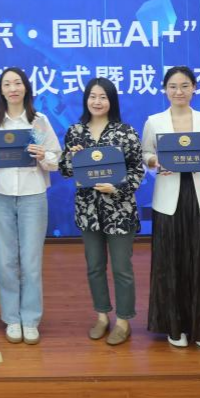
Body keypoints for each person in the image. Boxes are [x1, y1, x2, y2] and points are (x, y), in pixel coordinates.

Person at [142, 66, 200, 349]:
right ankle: (174, 325)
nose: (179, 91)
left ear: (194, 88)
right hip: (168, 198)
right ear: (164, 89)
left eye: (185, 86)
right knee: (171, 262)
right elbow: (146, 154)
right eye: (173, 86)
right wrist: (154, 162)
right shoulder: (154, 121)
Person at [58, 77, 144, 346]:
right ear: (86, 99)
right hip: (88, 211)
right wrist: (71, 157)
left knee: (121, 268)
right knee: (94, 267)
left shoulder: (125, 132)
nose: (97, 102)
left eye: (103, 97)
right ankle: (102, 316)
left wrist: (117, 188)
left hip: (120, 211)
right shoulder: (75, 131)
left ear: (111, 101)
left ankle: (123, 321)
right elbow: (65, 170)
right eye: (92, 96)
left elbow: (138, 170)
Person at [0, 67, 61, 345]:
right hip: (1, 194)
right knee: (5, 259)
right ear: (1, 91)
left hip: (33, 194)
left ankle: (30, 319)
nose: (13, 88)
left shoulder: (39, 121)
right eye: (7, 84)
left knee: (30, 260)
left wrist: (43, 155)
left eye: (17, 83)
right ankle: (11, 319)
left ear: (26, 88)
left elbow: (56, 159)